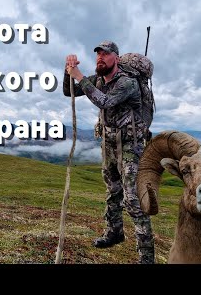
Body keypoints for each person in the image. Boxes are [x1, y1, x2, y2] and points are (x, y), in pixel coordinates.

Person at [63, 40, 155, 264]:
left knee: (133, 199)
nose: (100, 58)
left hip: (131, 147)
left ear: (116, 57)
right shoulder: (98, 79)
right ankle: (114, 233)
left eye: (105, 54)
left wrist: (79, 76)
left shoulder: (128, 82)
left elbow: (104, 101)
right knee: (113, 191)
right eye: (97, 54)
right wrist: (67, 70)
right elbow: (69, 92)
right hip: (109, 144)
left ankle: (146, 256)